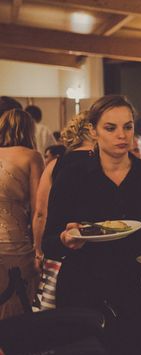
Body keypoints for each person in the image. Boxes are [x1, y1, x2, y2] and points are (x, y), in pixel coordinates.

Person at [42, 95, 141, 355]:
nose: (121, 135)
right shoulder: (72, 175)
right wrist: (66, 239)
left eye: (128, 126)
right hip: (83, 289)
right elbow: (49, 243)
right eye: (110, 128)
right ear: (93, 131)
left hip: (135, 291)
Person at [33, 111, 95, 264]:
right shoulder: (106, 164)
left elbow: (41, 213)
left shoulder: (55, 165)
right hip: (100, 246)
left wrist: (39, 251)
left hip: (63, 244)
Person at [0, 109, 44, 319]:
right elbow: (39, 211)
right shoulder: (32, 157)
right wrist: (39, 251)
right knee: (17, 310)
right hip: (15, 245)